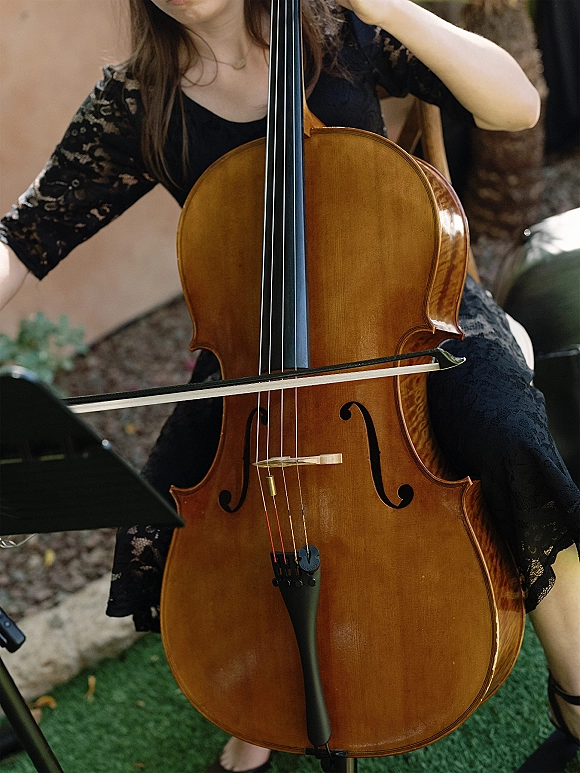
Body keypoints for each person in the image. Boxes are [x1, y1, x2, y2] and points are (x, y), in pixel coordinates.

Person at [0, 1, 578, 771]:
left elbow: (515, 102)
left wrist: (389, 6)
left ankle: (574, 690)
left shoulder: (332, 30)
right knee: (172, 500)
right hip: (255, 348)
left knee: (506, 432)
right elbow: (22, 237)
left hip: (410, 308)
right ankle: (264, 700)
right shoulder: (138, 100)